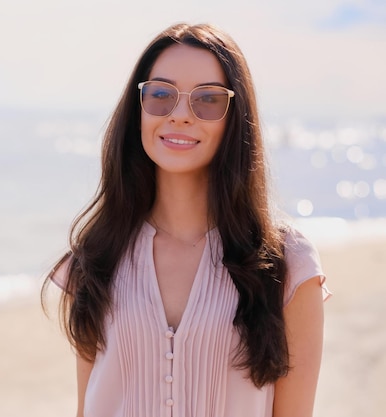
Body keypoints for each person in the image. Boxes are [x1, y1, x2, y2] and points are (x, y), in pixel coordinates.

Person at [42, 22, 331, 417]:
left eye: (207, 100)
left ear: (235, 118)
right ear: (137, 109)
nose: (179, 115)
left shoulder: (288, 263)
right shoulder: (99, 254)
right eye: (160, 95)